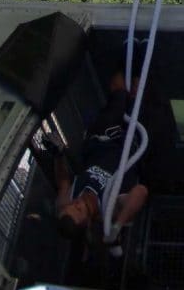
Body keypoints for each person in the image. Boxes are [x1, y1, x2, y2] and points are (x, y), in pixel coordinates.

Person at [55, 71, 148, 254]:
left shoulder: (66, 201)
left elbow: (63, 181)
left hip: (103, 136)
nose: (77, 204)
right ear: (87, 223)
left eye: (72, 206)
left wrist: (58, 154)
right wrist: (117, 225)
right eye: (79, 210)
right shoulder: (110, 209)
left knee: (119, 89)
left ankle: (126, 61)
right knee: (141, 96)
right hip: (130, 146)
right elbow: (141, 192)